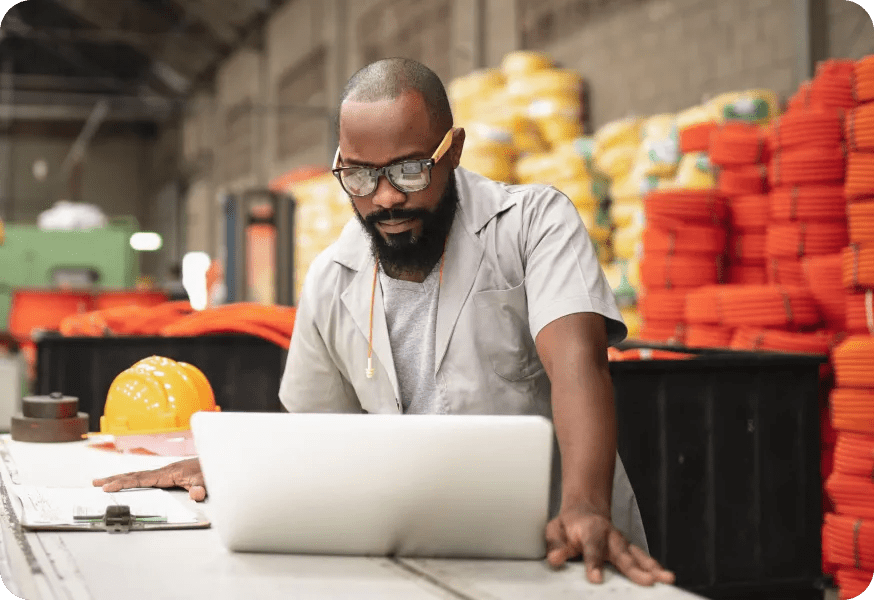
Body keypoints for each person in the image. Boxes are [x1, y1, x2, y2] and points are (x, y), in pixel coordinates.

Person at [94, 58, 674, 587]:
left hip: (561, 550)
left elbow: (578, 368)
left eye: (410, 171)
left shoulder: (532, 225)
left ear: (454, 150)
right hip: (418, 560)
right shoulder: (332, 279)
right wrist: (232, 468)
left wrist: (585, 507)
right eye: (361, 177)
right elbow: (320, 438)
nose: (385, 198)